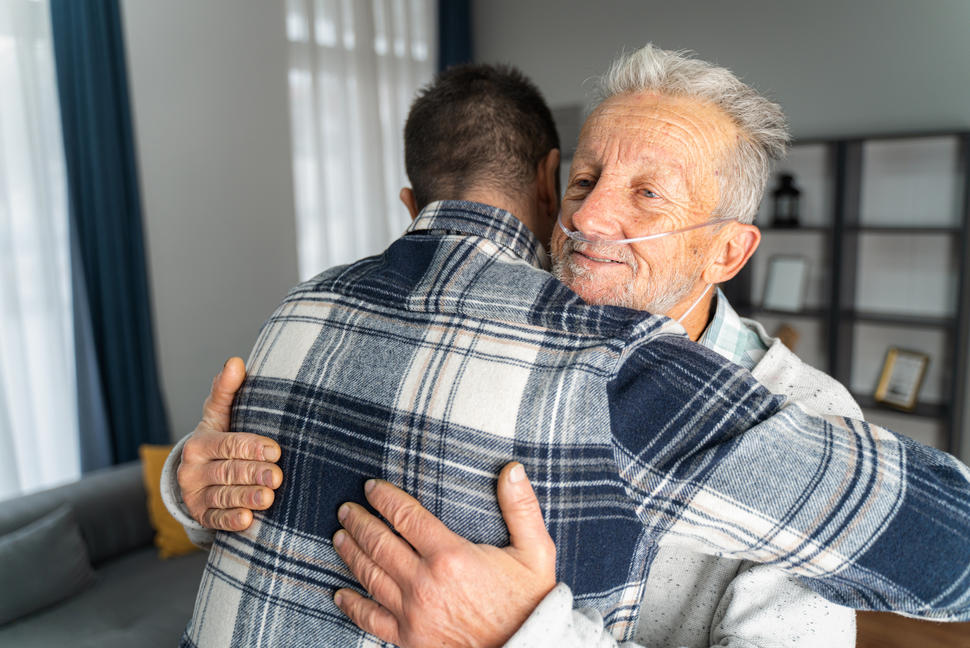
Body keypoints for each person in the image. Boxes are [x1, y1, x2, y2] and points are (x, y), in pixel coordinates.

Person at [172, 52, 970, 648]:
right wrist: (197, 482)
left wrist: (521, 632)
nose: (589, 222)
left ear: (728, 252)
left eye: (646, 195)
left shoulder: (803, 414)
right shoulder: (502, 335)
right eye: (586, 182)